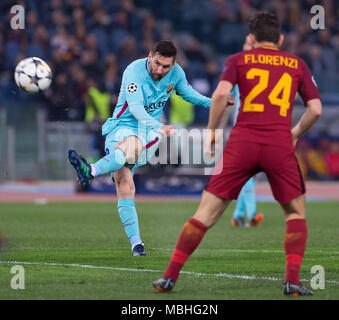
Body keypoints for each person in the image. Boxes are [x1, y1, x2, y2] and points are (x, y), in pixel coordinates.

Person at [153, 12, 322, 296]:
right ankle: (292, 281)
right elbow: (315, 109)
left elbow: (220, 95)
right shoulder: (297, 64)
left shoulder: (238, 60)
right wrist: (293, 134)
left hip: (242, 142)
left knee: (205, 214)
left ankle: (169, 276)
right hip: (278, 144)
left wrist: (210, 132)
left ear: (252, 39)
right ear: (280, 39)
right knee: (295, 214)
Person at [68, 40, 211, 256]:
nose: (160, 70)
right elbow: (134, 108)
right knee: (124, 184)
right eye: (157, 64)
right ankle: (137, 245)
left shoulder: (176, 73)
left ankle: (92, 170)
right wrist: (160, 126)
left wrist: (214, 101)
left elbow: (189, 94)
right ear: (150, 55)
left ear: (173, 64)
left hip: (147, 133)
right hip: (121, 126)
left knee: (132, 149)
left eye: (166, 67)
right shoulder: (134, 71)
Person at [230, 35, 263, 227]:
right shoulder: (239, 68)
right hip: (243, 127)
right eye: (247, 44)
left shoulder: (261, 71)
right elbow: (227, 96)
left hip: (257, 126)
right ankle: (251, 214)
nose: (248, 47)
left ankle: (238, 215)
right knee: (248, 172)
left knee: (250, 173)